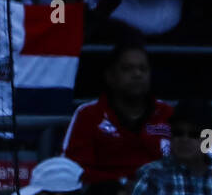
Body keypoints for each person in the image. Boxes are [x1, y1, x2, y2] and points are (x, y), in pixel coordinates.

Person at [61, 38, 173, 185]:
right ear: (110, 76)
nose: (137, 74)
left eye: (143, 69)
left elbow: (192, 163)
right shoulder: (88, 114)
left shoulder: (168, 113)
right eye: (127, 68)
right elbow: (72, 169)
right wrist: (120, 183)